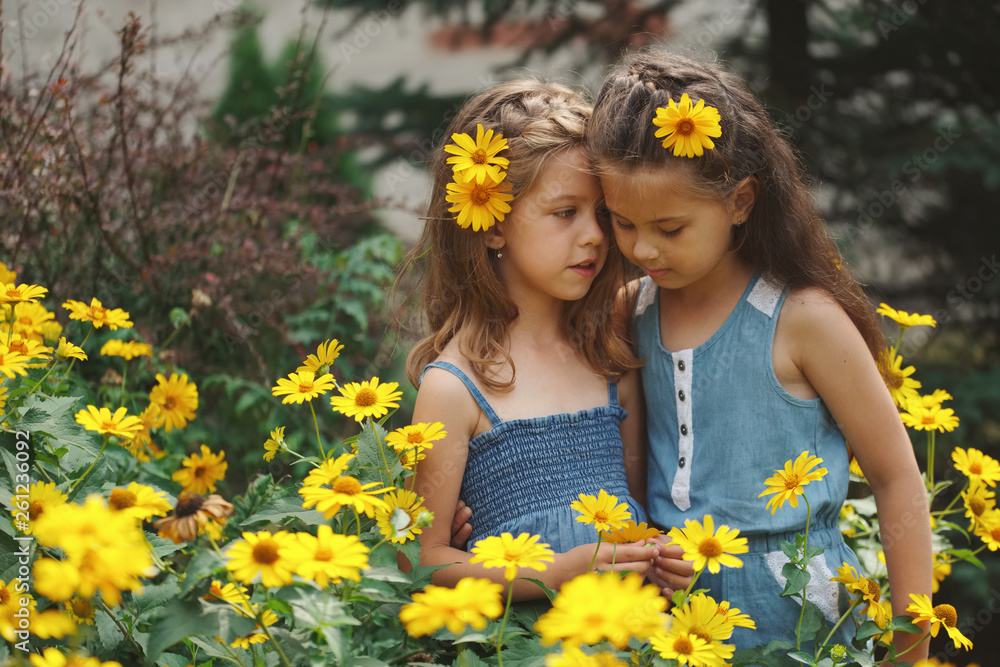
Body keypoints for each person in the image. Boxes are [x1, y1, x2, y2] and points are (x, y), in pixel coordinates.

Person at [584, 50, 931, 655]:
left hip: (801, 620)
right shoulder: (630, 311)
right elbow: (632, 475)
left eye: (671, 229)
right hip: (675, 620)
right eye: (622, 222)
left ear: (740, 202)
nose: (644, 249)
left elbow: (896, 476)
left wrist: (913, 650)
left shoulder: (803, 320)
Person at [401, 79, 685, 600]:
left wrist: (659, 562)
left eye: (602, 213)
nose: (596, 235)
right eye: (564, 212)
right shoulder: (455, 387)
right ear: (491, 225)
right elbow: (420, 561)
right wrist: (552, 576)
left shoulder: (610, 363)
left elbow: (636, 522)